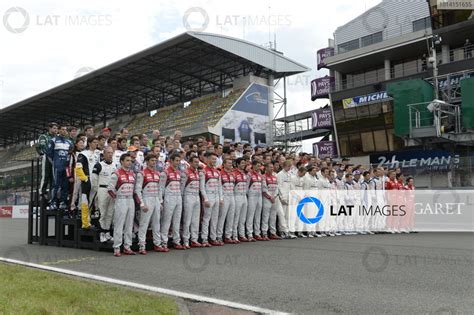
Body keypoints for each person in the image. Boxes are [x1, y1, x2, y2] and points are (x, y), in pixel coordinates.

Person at [108, 153, 136, 257]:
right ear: (121, 161)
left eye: (130, 161)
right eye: (127, 160)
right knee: (119, 225)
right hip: (121, 200)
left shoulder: (133, 174)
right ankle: (117, 247)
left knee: (129, 225)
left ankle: (127, 246)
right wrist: (117, 199)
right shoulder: (117, 173)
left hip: (130, 200)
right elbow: (110, 189)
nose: (129, 162)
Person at [135, 153, 164, 254]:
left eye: (155, 161)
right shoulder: (141, 173)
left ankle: (157, 244)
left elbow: (160, 189)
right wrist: (142, 203)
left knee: (157, 223)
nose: (154, 163)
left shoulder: (158, 173)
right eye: (152, 161)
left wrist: (160, 202)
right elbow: (137, 190)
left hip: (155, 199)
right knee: (144, 223)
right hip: (146, 198)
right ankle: (142, 246)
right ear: (147, 162)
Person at [91, 146, 116, 243]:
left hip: (112, 191)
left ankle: (107, 233)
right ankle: (101, 233)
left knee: (110, 213)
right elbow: (94, 181)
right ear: (104, 154)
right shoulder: (98, 165)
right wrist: (97, 191)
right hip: (102, 190)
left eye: (111, 153)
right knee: (102, 212)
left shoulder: (115, 165)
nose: (110, 154)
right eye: (108, 153)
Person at [160, 153, 184, 250]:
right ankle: (164, 242)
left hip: (178, 197)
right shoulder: (165, 172)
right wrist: (161, 200)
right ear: (171, 161)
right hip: (169, 197)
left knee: (177, 220)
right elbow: (161, 188)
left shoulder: (179, 172)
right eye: (176, 160)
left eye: (179, 161)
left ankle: (176, 241)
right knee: (167, 220)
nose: (177, 163)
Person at [47, 124, 73, 210]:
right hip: (57, 167)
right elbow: (49, 155)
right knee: (55, 185)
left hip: (67, 168)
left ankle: (63, 202)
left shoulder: (69, 142)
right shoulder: (53, 140)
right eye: (62, 129)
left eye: (65, 130)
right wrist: (54, 164)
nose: (64, 131)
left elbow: (71, 155)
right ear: (59, 130)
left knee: (65, 185)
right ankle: (53, 202)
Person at [200, 152, 223, 247]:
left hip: (216, 197)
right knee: (206, 218)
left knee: (215, 218)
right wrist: (205, 199)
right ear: (208, 159)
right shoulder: (203, 171)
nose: (214, 161)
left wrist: (221, 198)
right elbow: (202, 187)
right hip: (208, 197)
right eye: (212, 159)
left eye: (215, 159)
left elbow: (220, 186)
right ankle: (204, 239)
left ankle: (213, 238)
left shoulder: (217, 172)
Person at [180, 155, 203, 248]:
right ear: (190, 163)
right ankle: (185, 240)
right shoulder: (185, 173)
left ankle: (194, 239)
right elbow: (181, 188)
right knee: (187, 219)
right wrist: (181, 199)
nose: (197, 164)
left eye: (198, 162)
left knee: (195, 220)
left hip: (196, 196)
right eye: (195, 162)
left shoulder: (198, 172)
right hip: (188, 196)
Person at [36, 122, 58, 199]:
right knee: (46, 175)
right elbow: (41, 147)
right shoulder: (44, 136)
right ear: (50, 128)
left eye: (56, 128)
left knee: (54, 177)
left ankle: (52, 193)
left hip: (56, 158)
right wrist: (42, 154)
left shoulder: (58, 137)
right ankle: (42, 192)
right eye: (54, 128)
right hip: (47, 157)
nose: (56, 130)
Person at [217, 158, 236, 244]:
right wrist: (221, 198)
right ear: (223, 164)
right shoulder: (220, 173)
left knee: (231, 217)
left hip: (232, 196)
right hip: (224, 196)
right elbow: (219, 187)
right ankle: (219, 236)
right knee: (222, 217)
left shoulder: (232, 174)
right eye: (228, 163)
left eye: (231, 163)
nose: (230, 165)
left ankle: (228, 236)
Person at [276, 160, 296, 239]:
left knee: (288, 215)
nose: (289, 168)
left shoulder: (289, 174)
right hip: (282, 198)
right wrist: (282, 198)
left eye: (290, 166)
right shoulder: (280, 175)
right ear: (284, 166)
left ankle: (287, 230)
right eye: (288, 166)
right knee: (282, 215)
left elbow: (291, 185)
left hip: (289, 196)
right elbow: (279, 186)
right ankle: (283, 231)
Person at [247, 160, 264, 241]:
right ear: (253, 166)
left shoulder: (260, 175)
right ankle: (249, 234)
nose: (258, 167)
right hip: (252, 196)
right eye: (257, 165)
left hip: (259, 196)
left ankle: (257, 233)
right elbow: (246, 187)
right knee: (250, 215)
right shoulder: (249, 174)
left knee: (258, 215)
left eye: (260, 165)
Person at [262, 162, 279, 240]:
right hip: (266, 199)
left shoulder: (275, 177)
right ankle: (264, 233)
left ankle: (273, 232)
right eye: (270, 167)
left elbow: (277, 188)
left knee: (273, 216)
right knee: (265, 216)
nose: (272, 169)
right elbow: (264, 189)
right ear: (266, 168)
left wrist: (274, 197)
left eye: (272, 167)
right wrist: (270, 197)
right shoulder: (263, 177)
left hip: (274, 199)